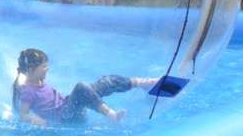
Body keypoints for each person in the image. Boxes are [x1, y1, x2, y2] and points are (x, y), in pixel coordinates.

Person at [12, 48, 157, 125]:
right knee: (81, 87)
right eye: (44, 67)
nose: (47, 69)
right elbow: (23, 114)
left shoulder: (37, 80)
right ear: (31, 70)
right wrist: (36, 120)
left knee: (104, 82)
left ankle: (142, 83)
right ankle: (111, 115)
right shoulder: (28, 91)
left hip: (68, 105)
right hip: (66, 117)